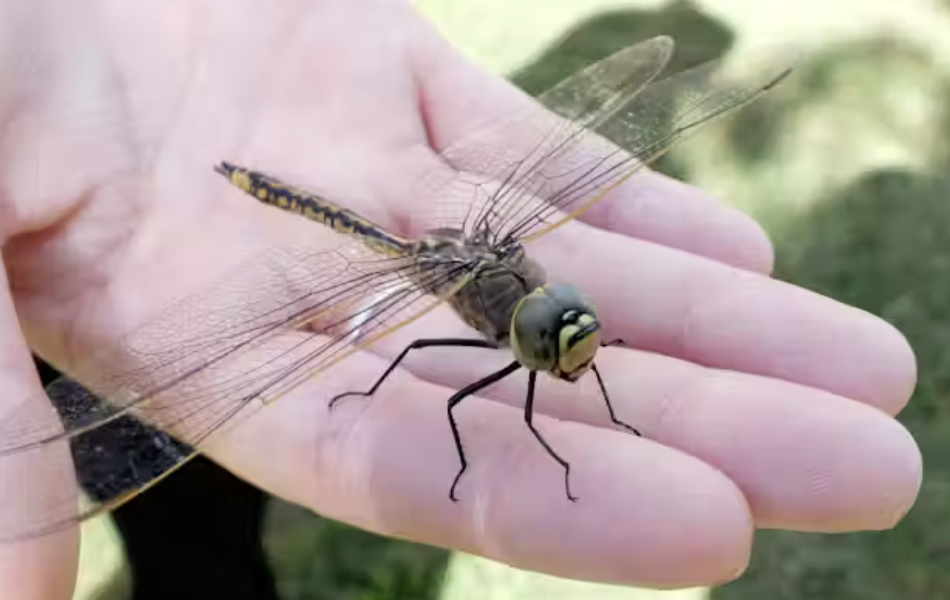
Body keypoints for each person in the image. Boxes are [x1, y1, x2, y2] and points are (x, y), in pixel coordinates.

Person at [0, 1, 921, 598]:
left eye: (569, 333)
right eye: (563, 339)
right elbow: (415, 360)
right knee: (377, 371)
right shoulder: (485, 323)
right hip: (383, 246)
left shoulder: (553, 313)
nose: (573, 344)